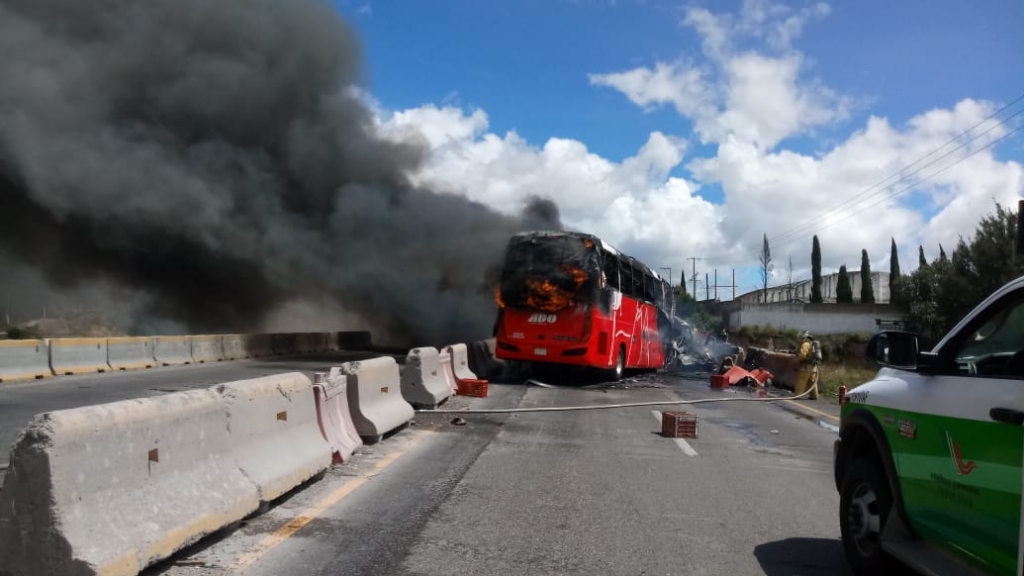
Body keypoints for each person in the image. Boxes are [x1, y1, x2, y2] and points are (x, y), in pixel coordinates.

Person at [795, 330, 821, 399]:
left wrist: (798, 359)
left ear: (806, 337)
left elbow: (802, 355)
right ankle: (814, 396)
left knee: (801, 382)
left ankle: (797, 395)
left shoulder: (805, 344)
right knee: (812, 383)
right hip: (813, 368)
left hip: (805, 368)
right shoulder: (812, 344)